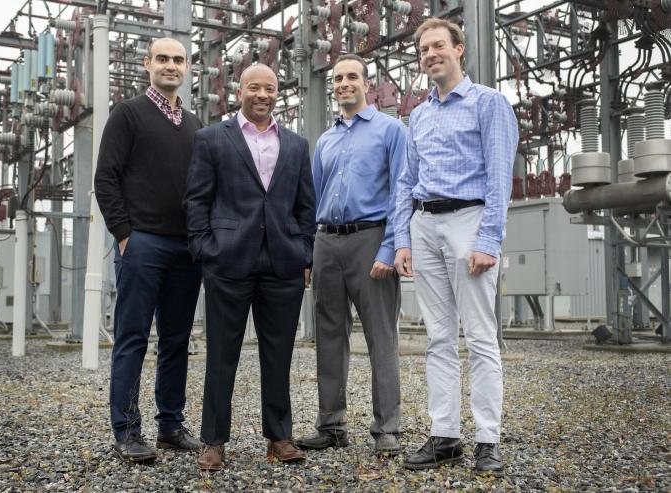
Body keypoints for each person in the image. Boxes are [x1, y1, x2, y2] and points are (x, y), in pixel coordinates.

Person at [393, 18, 518, 476]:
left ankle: (488, 439)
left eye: (438, 46)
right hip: (425, 223)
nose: (430, 54)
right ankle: (445, 435)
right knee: (439, 338)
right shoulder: (419, 115)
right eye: (424, 49)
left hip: (469, 220)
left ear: (459, 49)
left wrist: (489, 238)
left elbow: (500, 177)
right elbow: (406, 181)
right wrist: (402, 238)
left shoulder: (488, 104)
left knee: (481, 337)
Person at [184, 63, 316, 472]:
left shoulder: (295, 145)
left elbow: (306, 206)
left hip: (282, 262)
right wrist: (206, 249)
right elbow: (196, 200)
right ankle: (214, 441)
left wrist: (304, 253)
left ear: (279, 93)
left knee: (278, 354)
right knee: (222, 354)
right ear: (238, 92)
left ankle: (279, 437)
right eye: (254, 87)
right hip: (228, 260)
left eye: (271, 88)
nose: (263, 94)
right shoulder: (211, 139)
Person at [94, 37, 203, 463]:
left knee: (176, 340)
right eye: (163, 59)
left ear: (188, 67)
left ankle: (171, 426)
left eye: (178, 60)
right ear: (148, 65)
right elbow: (106, 178)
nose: (170, 66)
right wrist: (124, 234)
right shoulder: (128, 115)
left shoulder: (194, 126)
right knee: (132, 337)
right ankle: (126, 430)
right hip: (143, 243)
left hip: (186, 248)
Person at [296, 54, 406, 456]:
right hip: (327, 242)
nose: (344, 83)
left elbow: (400, 194)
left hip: (370, 239)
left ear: (367, 83)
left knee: (381, 337)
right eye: (338, 78)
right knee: (328, 336)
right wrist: (309, 252)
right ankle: (331, 425)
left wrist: (391, 247)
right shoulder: (325, 141)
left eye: (351, 77)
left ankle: (387, 428)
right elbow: (312, 201)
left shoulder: (391, 131)